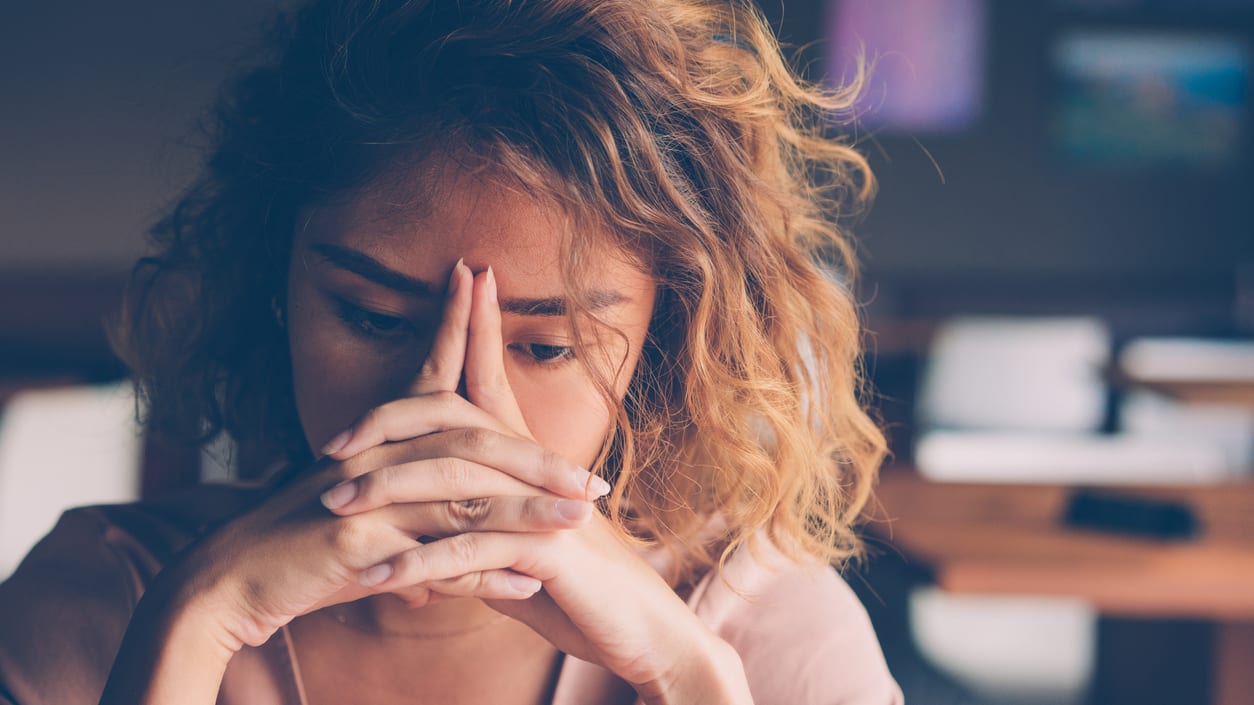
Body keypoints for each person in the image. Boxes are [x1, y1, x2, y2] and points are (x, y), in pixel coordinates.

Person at [0, 0, 901, 703]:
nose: (457, 411)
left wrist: (690, 679)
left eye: (549, 346)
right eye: (374, 318)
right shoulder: (105, 598)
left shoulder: (762, 632)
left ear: (660, 346)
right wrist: (196, 624)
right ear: (275, 289)